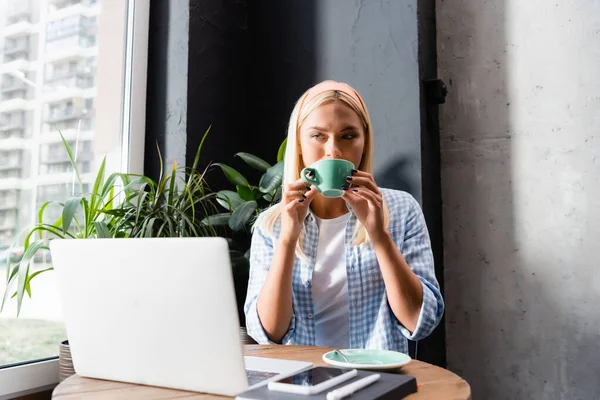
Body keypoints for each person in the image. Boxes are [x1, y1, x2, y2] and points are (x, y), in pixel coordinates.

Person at [244, 80, 444, 353]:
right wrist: (288, 238)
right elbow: (269, 333)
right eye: (318, 136)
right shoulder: (272, 224)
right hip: (303, 383)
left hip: (378, 382)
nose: (333, 151)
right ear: (299, 143)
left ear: (365, 142)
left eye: (348, 136)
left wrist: (379, 235)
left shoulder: (401, 209)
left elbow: (420, 322)